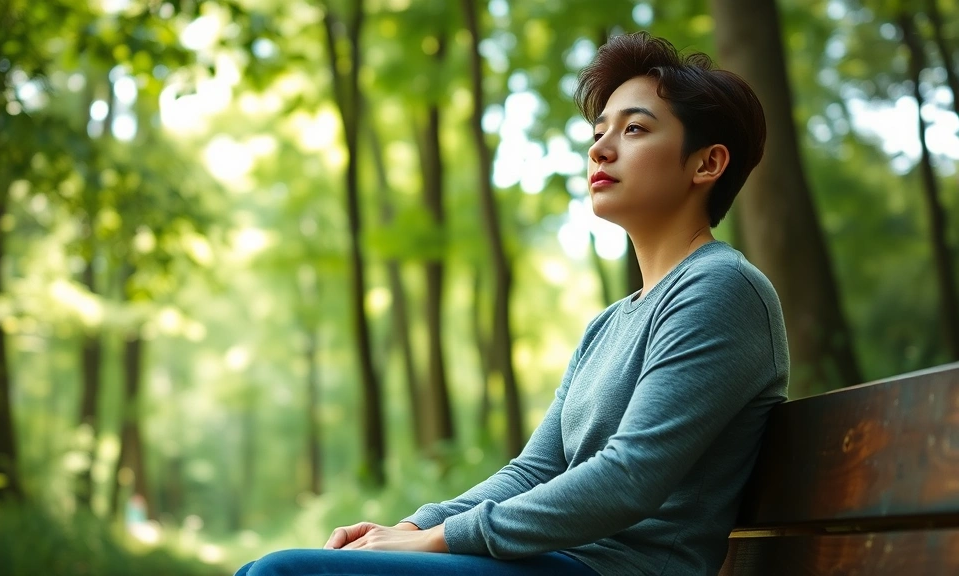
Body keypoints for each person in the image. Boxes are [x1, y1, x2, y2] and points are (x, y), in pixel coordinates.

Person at [235, 30, 788, 576]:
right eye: (599, 131)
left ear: (707, 164)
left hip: (617, 569)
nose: (599, 147)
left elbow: (628, 477)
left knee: (283, 574)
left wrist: (438, 541)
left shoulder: (720, 289)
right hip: (555, 563)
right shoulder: (608, 325)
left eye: (636, 128)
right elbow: (533, 471)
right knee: (262, 569)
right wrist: (411, 528)